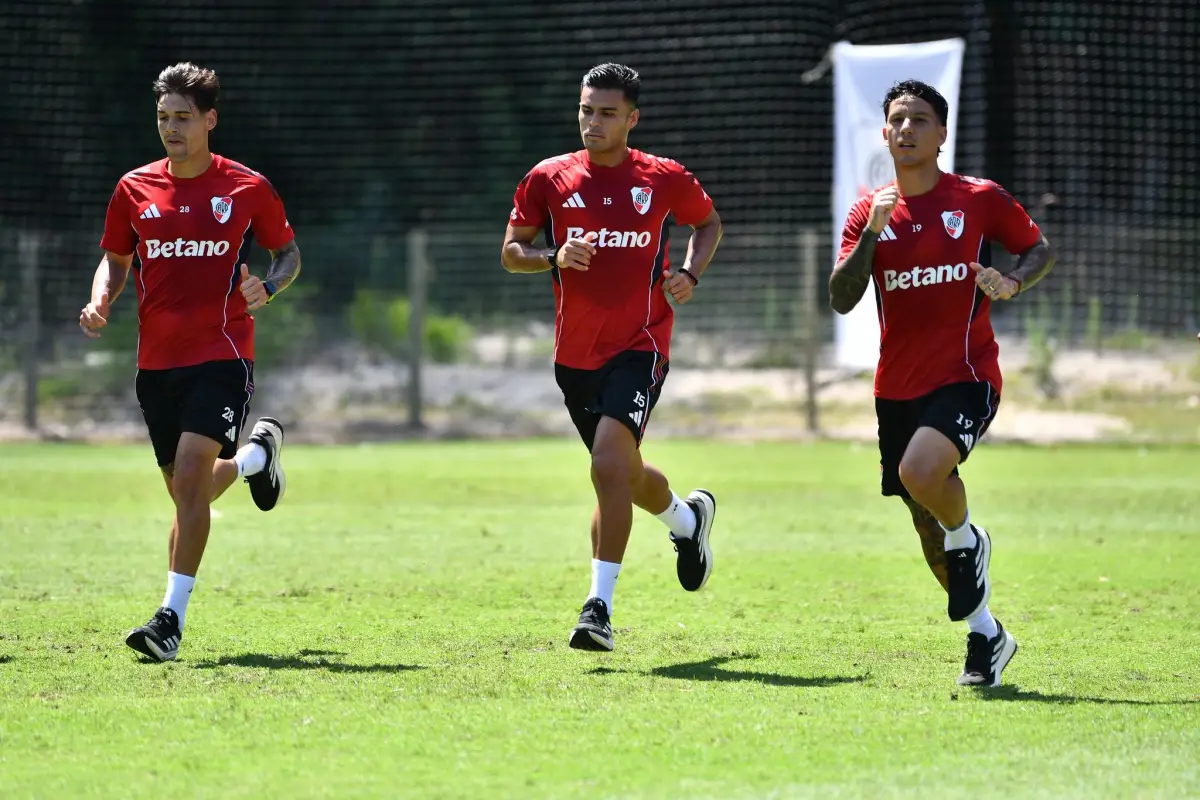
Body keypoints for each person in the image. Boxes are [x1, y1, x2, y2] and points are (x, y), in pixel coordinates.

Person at [829, 80, 1055, 687]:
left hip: (967, 374)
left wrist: (1011, 282)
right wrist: (872, 234)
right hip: (895, 389)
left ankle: (968, 535)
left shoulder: (977, 198)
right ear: (884, 133)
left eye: (920, 120)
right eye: (897, 120)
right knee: (927, 531)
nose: (906, 129)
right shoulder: (867, 212)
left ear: (942, 134)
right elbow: (841, 299)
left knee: (921, 474)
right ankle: (987, 636)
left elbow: (1038, 249)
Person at [79, 62, 301, 662]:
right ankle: (257, 456)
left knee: (191, 479)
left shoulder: (247, 187)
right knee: (189, 491)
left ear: (209, 120)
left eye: (181, 117)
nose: (170, 128)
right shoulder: (133, 189)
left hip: (223, 352)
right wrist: (101, 299)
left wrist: (269, 289)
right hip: (157, 363)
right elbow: (116, 261)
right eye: (162, 118)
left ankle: (170, 618)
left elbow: (288, 255)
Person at [501, 63, 724, 651]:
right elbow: (511, 252)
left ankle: (597, 608)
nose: (592, 122)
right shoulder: (548, 179)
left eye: (606, 112)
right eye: (585, 110)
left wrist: (690, 273)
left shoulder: (663, 177)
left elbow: (708, 223)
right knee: (622, 474)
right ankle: (686, 520)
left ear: (632, 118)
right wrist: (552, 256)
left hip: (641, 345)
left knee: (605, 465)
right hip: (575, 358)